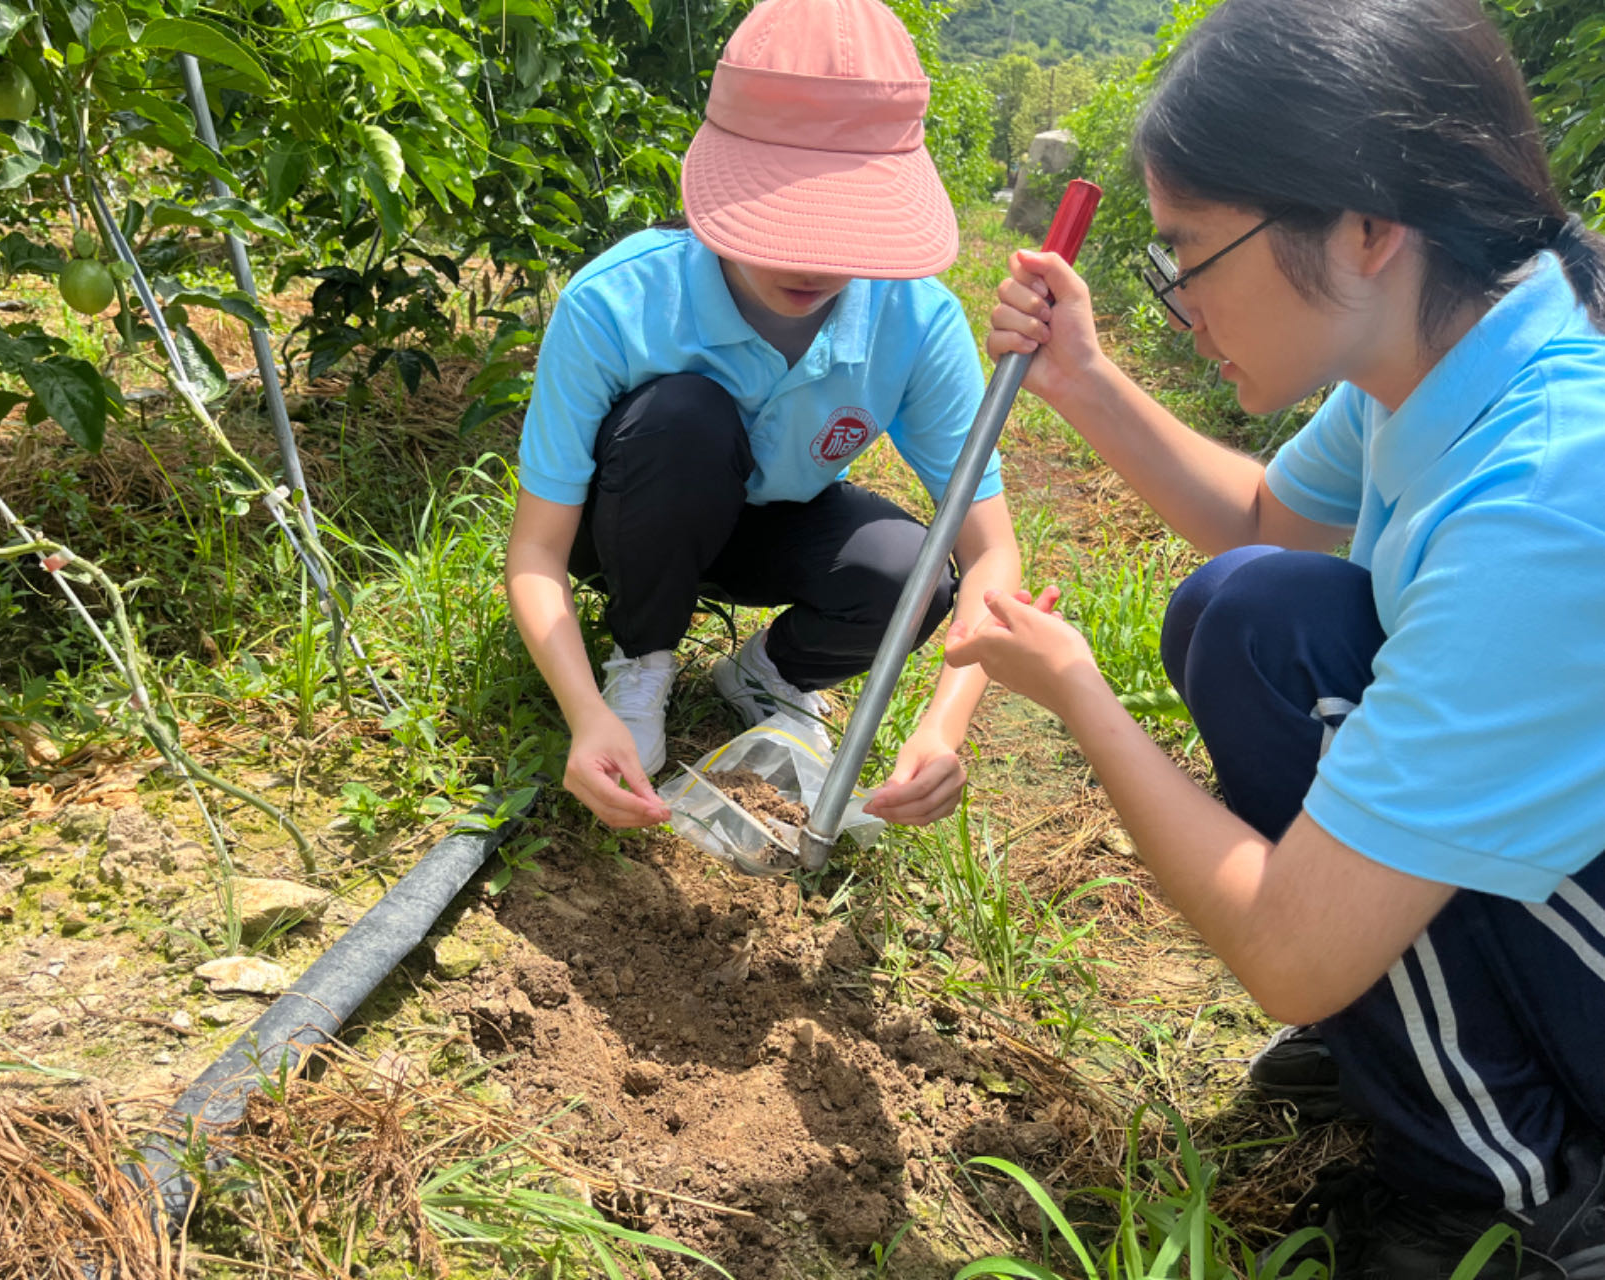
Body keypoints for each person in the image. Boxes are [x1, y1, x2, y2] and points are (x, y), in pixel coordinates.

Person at [947, 0, 1605, 1273]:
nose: (1177, 296)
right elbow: (1258, 519)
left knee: (1267, 659)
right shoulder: (1449, 337)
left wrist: (1077, 691)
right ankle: (1420, 1040)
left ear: (1363, 228)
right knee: (1253, 614)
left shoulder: (1544, 492)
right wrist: (1080, 376)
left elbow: (1290, 950)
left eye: (1188, 250)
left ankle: (1515, 1199)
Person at [505, 0, 1020, 832]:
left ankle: (767, 675)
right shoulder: (620, 300)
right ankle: (640, 659)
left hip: (776, 522)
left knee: (908, 573)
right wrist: (583, 714)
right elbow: (536, 551)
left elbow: (990, 550)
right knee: (682, 417)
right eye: (784, 213)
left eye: (847, 222)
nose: (814, 259)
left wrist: (944, 723)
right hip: (638, 521)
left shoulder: (914, 320)